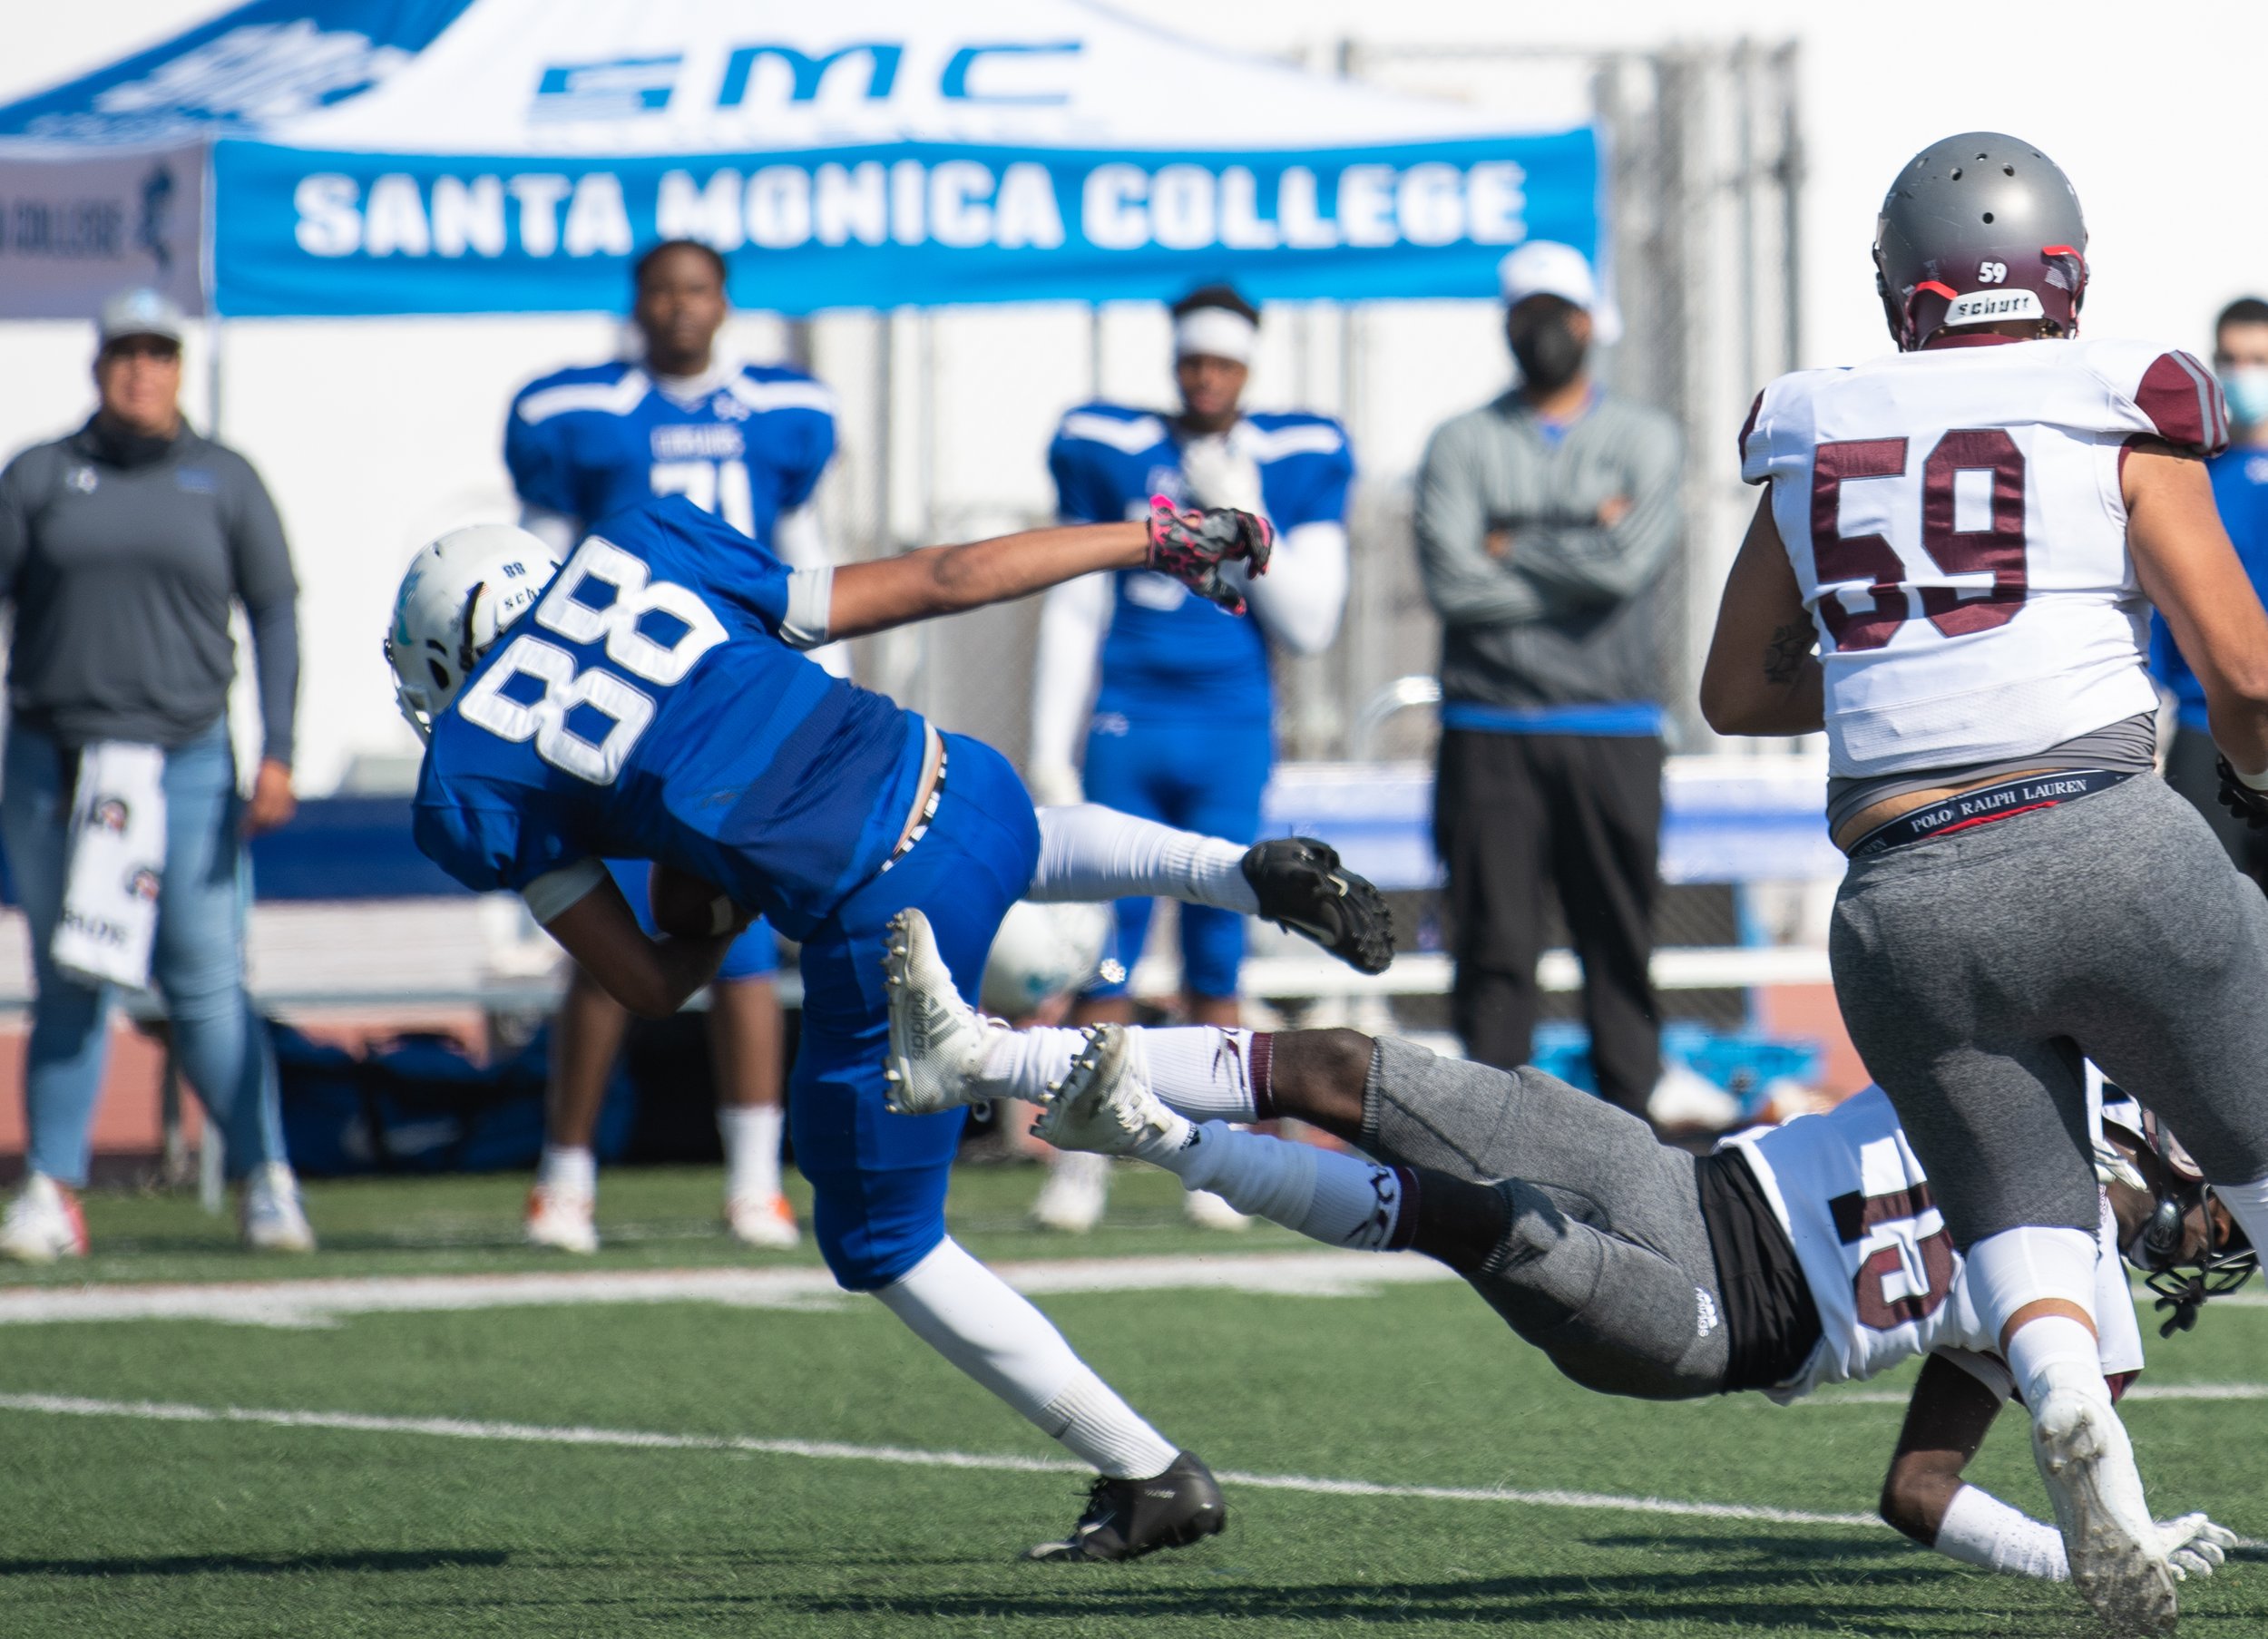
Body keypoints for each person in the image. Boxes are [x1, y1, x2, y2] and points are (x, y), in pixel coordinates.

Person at [386, 495, 1392, 1560]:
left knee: (881, 1237)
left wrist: (716, 912)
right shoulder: (644, 544)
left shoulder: (470, 773)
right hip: (957, 777)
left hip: (874, 906)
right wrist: (1147, 539)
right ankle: (1232, 871)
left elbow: (641, 981)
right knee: (1019, 840)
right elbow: (946, 577)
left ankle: (1147, 1470)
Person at [1698, 131, 2268, 1631]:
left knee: (2021, 1196)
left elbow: (1736, 691)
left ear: (1902, 292)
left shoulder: (1816, 427)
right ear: (2064, 275)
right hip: (2108, 833)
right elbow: (2248, 676)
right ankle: (2092, 1412)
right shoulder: (2116, 398)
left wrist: (1920, 671)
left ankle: (2076, 1405)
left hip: (1905, 896)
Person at [880, 975, 2248, 1597]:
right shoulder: (2047, 1058)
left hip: (1711, 1328)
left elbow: (1918, 1494)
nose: (2200, 1248)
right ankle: (980, 1055)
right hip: (1692, 1181)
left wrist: (2077, 1545)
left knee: (1489, 1223)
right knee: (1359, 1070)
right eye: (2218, 1220)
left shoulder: (2087, 1327)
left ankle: (1160, 1139)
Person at [503, 239, 838, 1253]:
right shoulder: (580, 412)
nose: (680, 309)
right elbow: (533, 557)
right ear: (638, 303)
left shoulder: (787, 411)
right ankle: (563, 1179)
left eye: (696, 290)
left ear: (724, 303)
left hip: (742, 701)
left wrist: (830, 692)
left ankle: (753, 1183)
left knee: (738, 942)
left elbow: (810, 553)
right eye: (662, 291)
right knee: (601, 940)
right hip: (620, 701)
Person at [1028, 283, 1354, 1231]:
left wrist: (1239, 505)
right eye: (1190, 361)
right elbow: (1078, 597)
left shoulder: (1292, 453)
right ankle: (1081, 1152)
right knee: (1106, 948)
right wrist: (1051, 740)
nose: (1203, 377)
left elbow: (1311, 621)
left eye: (1220, 362)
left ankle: (1223, 1159)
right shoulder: (1109, 443)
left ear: (1249, 366)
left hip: (1228, 722)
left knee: (1220, 942)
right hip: (1130, 712)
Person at [0, 288, 313, 1261]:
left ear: (180, 367)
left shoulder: (223, 480)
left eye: (159, 353)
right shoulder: (43, 475)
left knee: (207, 981)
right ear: (98, 366)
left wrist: (280, 748)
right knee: (69, 974)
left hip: (184, 759)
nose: (142, 370)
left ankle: (265, 1175)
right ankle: (51, 1186)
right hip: (58, 758)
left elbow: (275, 612)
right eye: (125, 353)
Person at [1413, 242, 1683, 1117]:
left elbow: (1628, 567)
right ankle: (1493, 1143)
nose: (1541, 332)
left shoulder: (1645, 437)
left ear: (1587, 323)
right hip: (1490, 730)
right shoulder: (1459, 442)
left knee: (1619, 945)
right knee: (1493, 948)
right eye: (1523, 314)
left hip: (1614, 726)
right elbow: (1452, 582)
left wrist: (1511, 542)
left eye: (1555, 313)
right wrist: (1581, 541)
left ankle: (1635, 1143)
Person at [2149, 296, 2268, 889]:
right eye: (2230, 357)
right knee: (2209, 922)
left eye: (2258, 359)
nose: (2243, 372)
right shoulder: (2188, 473)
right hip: (2205, 728)